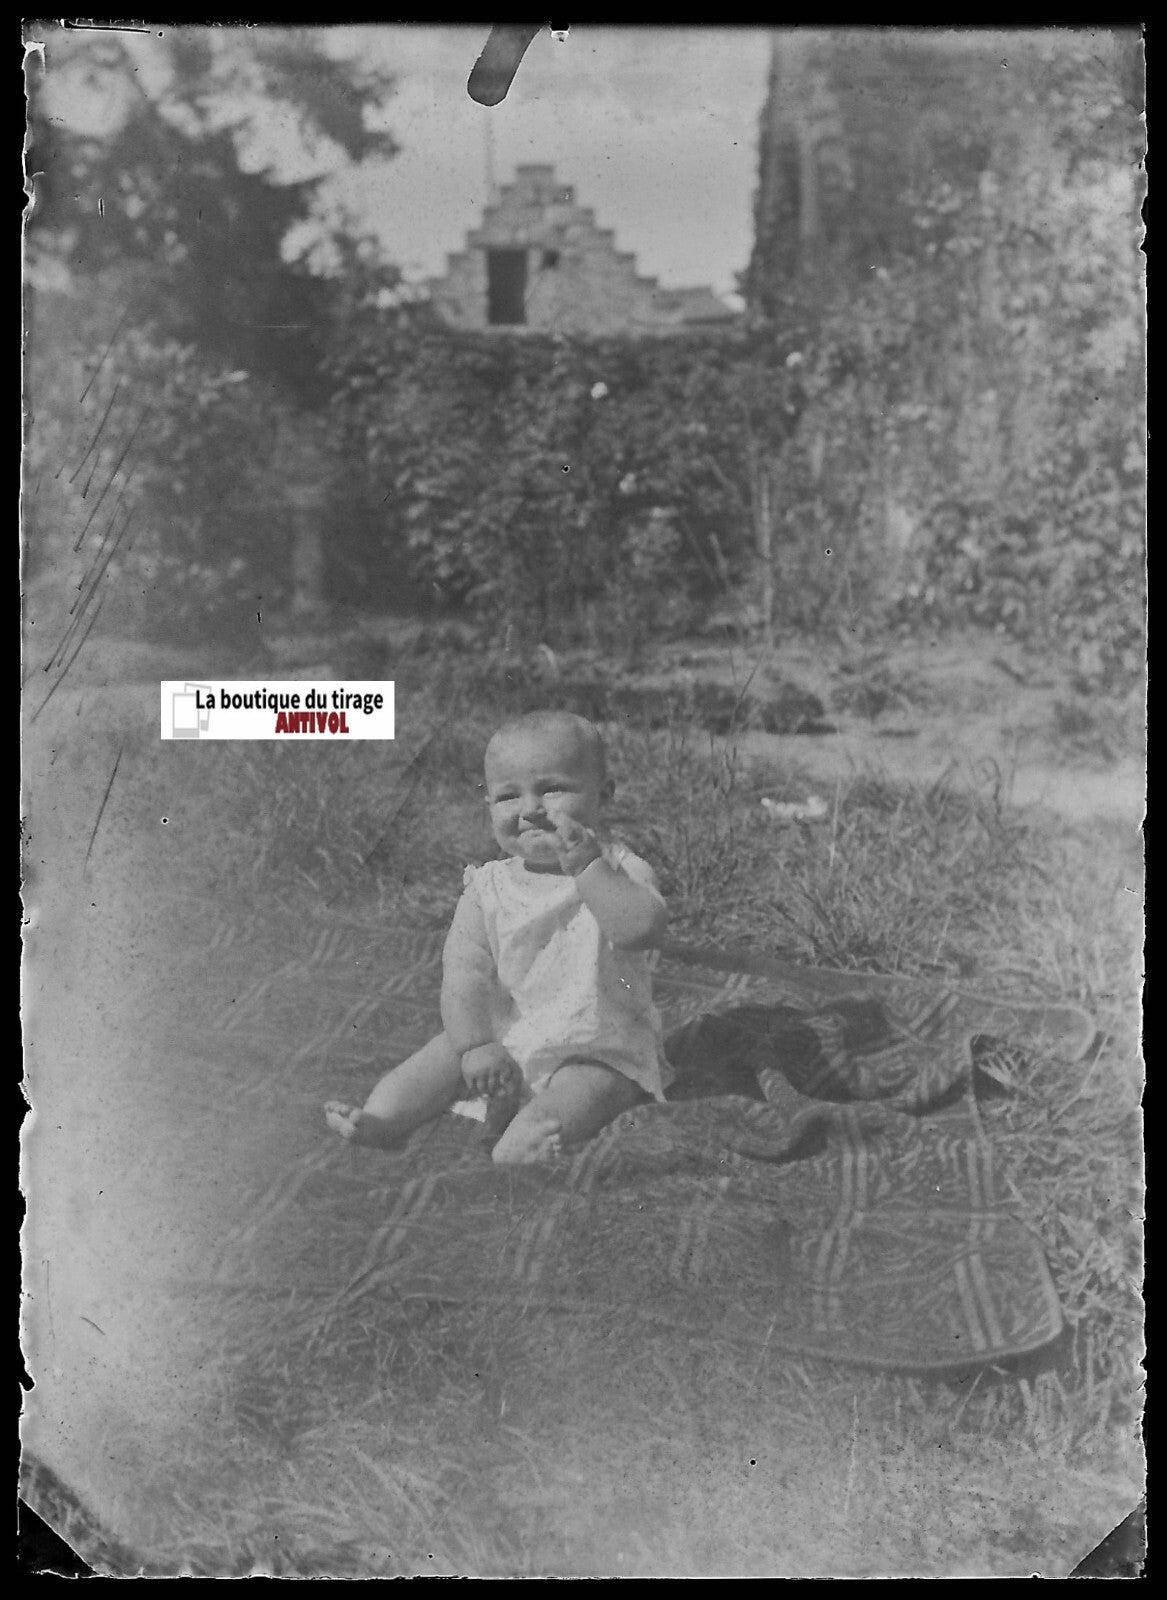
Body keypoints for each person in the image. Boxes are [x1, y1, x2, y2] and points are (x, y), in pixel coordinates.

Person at [325, 710, 672, 1164]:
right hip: (509, 1033)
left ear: (602, 794)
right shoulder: (487, 888)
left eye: (552, 789)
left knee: (591, 1088)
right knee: (440, 1055)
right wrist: (476, 1045)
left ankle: (530, 1138)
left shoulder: (618, 868)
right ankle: (384, 1118)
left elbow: (641, 929)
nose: (530, 809)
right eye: (508, 796)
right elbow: (464, 974)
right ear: (488, 805)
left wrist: (587, 867)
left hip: (599, 1043)